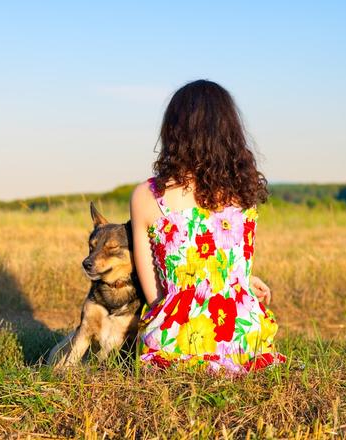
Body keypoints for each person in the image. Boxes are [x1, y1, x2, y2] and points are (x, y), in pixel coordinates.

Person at [130, 79, 286, 375]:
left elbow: (155, 295)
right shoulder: (244, 194)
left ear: (172, 131)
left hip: (177, 338)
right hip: (243, 335)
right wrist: (236, 285)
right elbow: (232, 265)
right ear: (230, 132)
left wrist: (198, 294)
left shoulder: (147, 196)